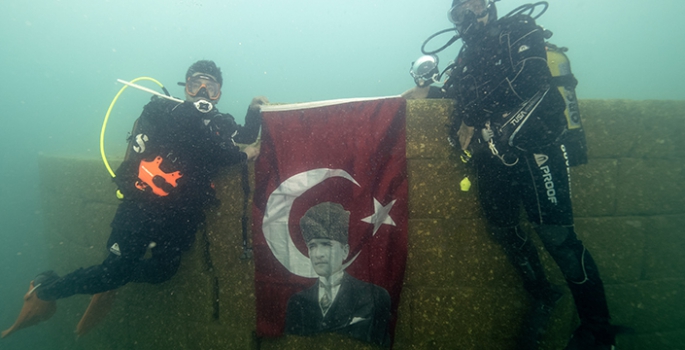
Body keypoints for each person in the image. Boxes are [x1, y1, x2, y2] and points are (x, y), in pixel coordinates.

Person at [403, 1, 617, 349]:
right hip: (491, 161)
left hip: (537, 150)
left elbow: (532, 78)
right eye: (460, 11)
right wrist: (431, 94)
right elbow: (459, 103)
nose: (469, 15)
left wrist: (474, 112)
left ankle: (598, 329)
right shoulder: (464, 59)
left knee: (559, 240)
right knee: (503, 231)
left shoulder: (519, 31)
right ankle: (543, 293)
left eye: (476, 5)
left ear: (491, 6)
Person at [2, 60, 268, 338]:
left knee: (162, 272)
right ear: (185, 87)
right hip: (141, 206)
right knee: (113, 270)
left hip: (180, 215)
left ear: (219, 93)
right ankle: (45, 289)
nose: (202, 92)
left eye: (210, 87)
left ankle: (119, 273)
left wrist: (253, 111)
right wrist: (243, 155)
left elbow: (245, 135)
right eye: (195, 85)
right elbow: (205, 148)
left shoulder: (220, 122)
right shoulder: (167, 110)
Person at [284, 202, 391, 347]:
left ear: (345, 251)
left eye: (326, 245)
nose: (318, 254)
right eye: (312, 246)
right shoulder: (298, 302)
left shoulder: (374, 296)